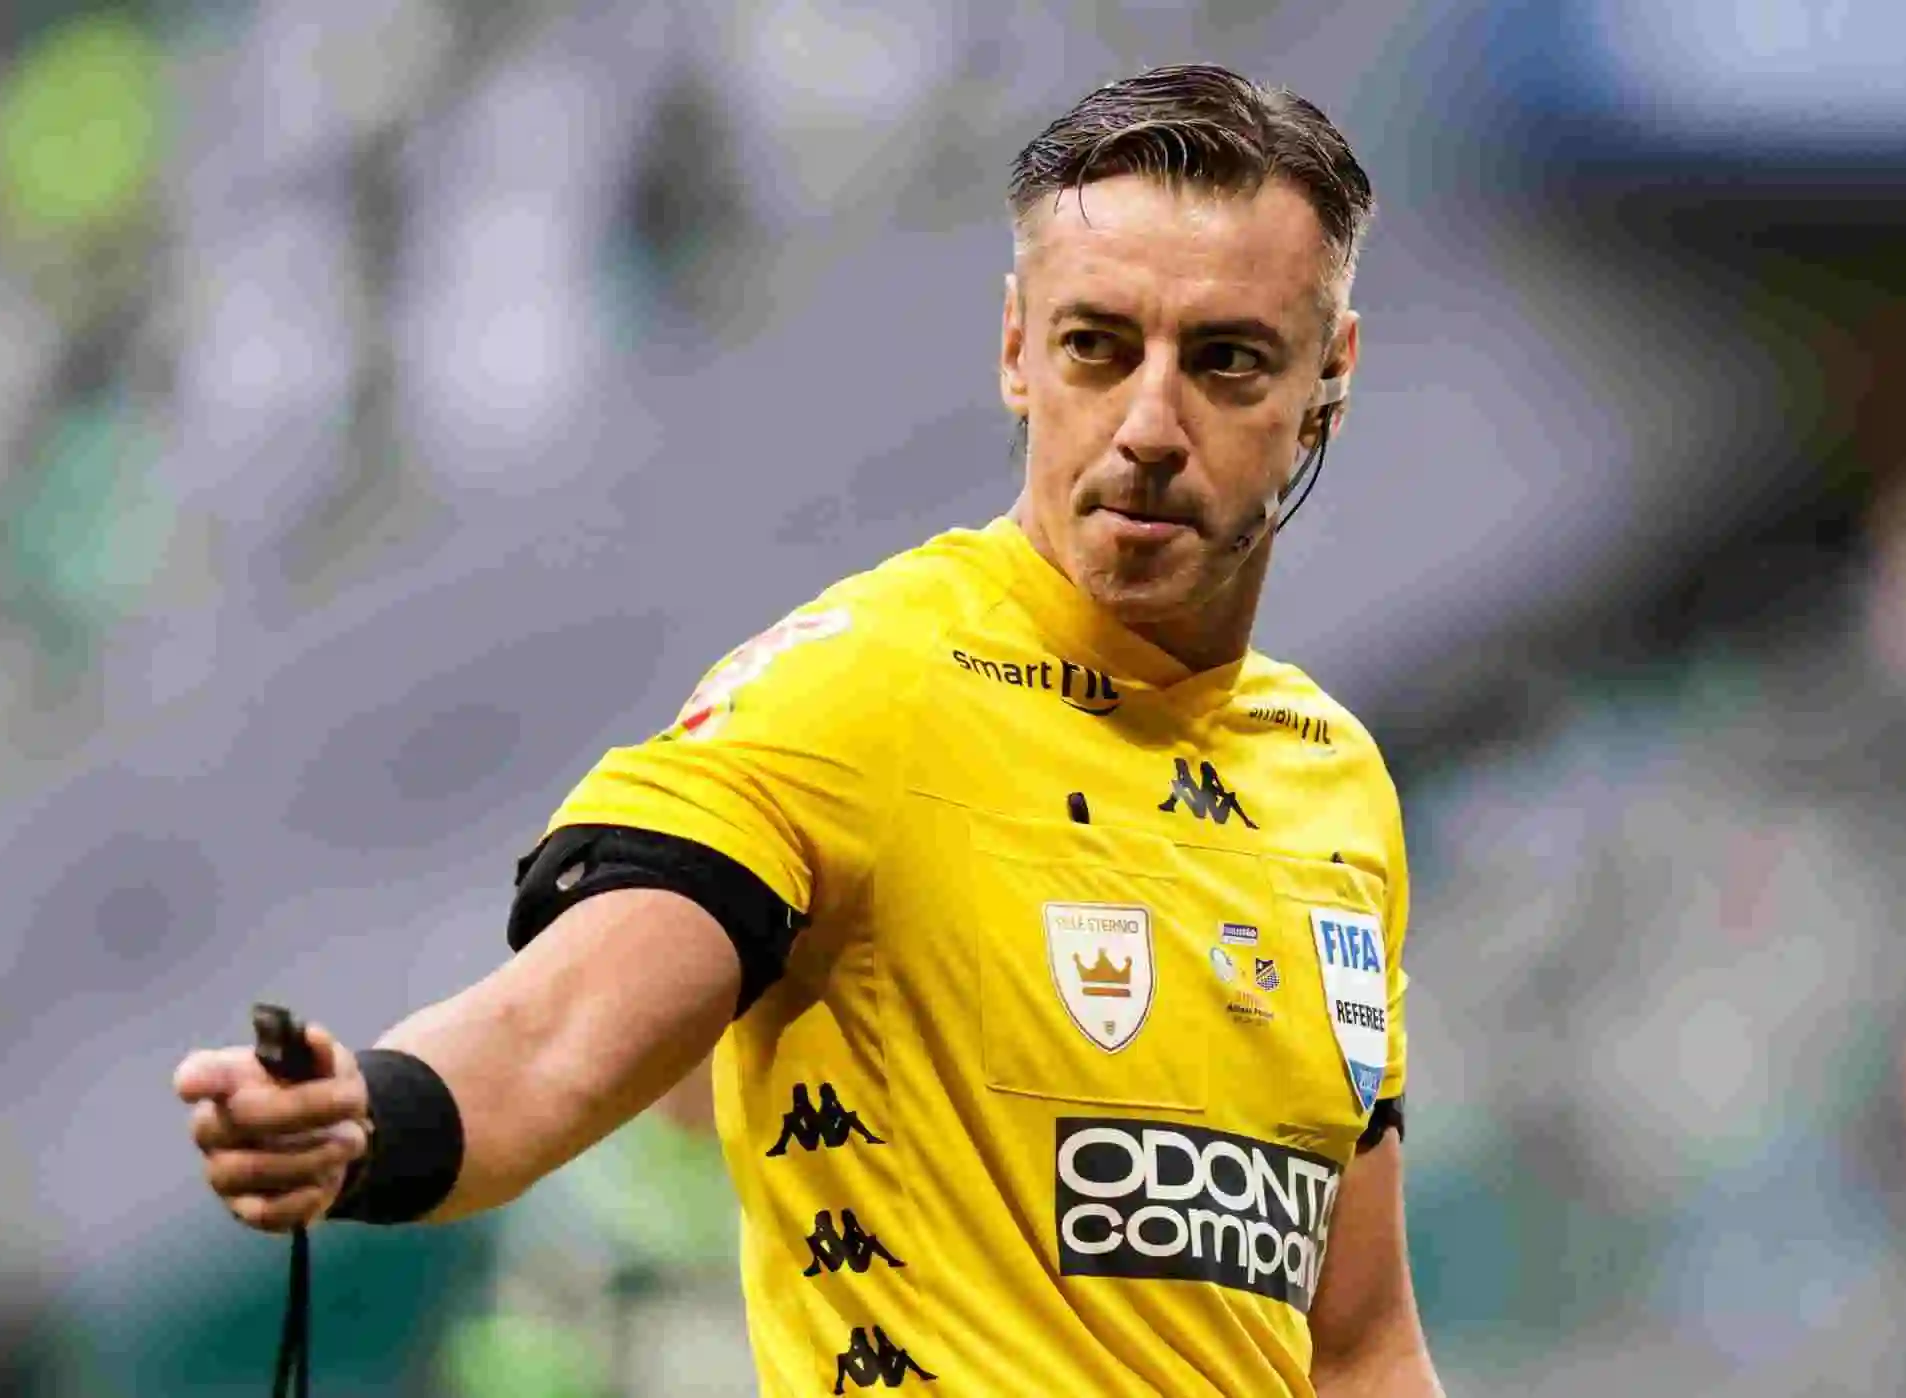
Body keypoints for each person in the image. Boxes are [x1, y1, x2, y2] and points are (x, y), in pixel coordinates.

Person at [174, 64, 1442, 1397]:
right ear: (1017, 348)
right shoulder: (857, 688)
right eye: (1098, 345)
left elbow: (1356, 1344)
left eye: (1227, 360)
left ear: (1330, 379)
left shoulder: (1333, 781)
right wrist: (372, 1118)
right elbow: (554, 1034)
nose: (1147, 425)